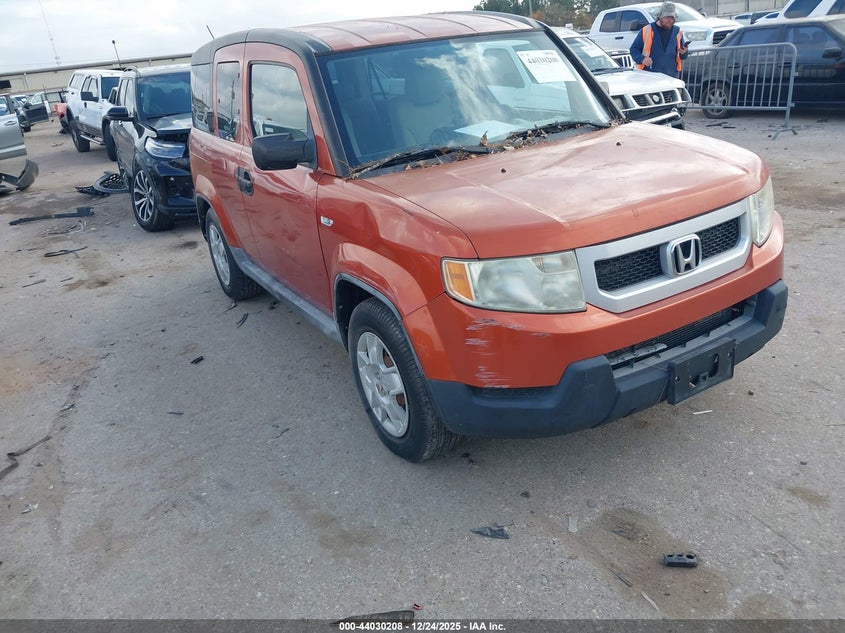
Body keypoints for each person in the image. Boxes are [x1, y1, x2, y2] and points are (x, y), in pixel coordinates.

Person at [630, 1, 690, 78]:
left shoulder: (677, 31)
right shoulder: (647, 30)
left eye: (672, 17)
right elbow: (634, 49)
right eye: (667, 17)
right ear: (660, 16)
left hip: (672, 76)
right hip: (650, 76)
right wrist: (642, 59)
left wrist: (684, 52)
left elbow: (682, 56)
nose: (670, 20)